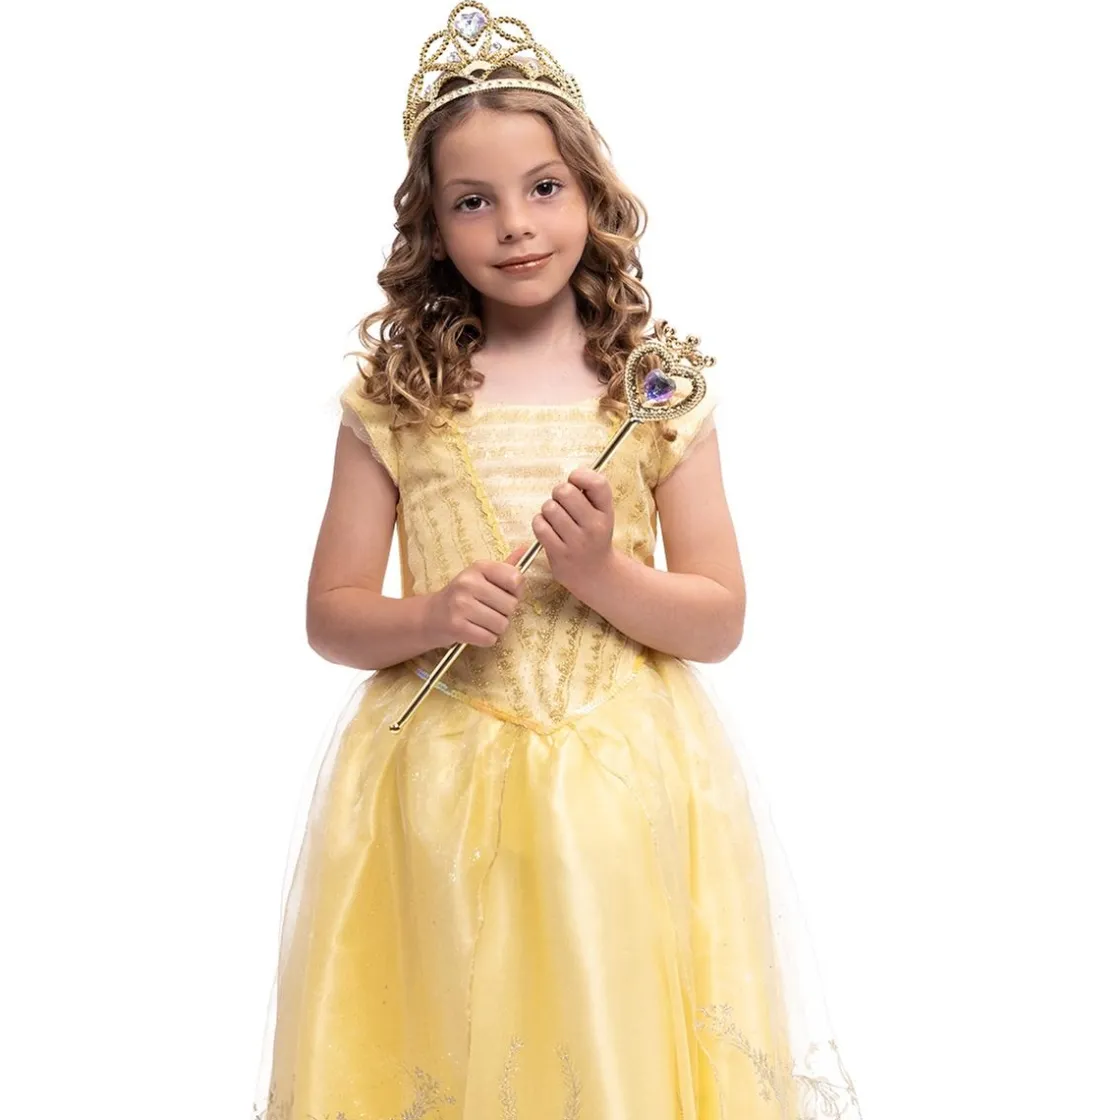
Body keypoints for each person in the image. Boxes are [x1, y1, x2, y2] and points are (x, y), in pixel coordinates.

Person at [253, 5, 863, 1118]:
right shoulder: (395, 397)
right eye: (472, 201)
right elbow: (331, 614)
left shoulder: (650, 391)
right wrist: (431, 612)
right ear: (431, 225)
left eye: (544, 188)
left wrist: (602, 577)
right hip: (439, 789)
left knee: (611, 1028)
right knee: (455, 1030)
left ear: (590, 192)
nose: (516, 226)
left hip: (625, 783)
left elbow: (719, 617)